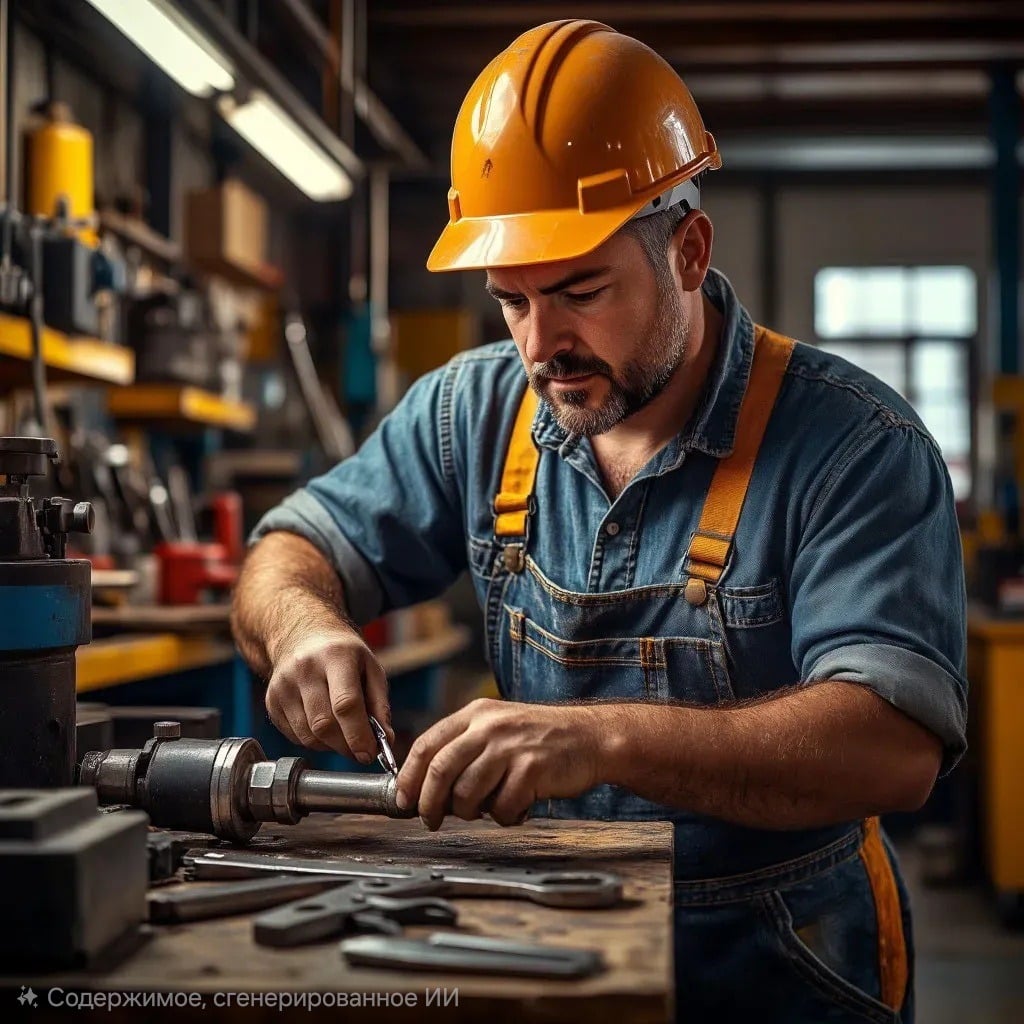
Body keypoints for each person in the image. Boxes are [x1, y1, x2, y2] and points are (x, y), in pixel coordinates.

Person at [232, 19, 966, 1023]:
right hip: (546, 927)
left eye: (579, 291)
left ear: (688, 251)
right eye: (511, 301)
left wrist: (602, 739)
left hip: (781, 955)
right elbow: (287, 550)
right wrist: (304, 626)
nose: (542, 345)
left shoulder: (854, 444)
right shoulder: (472, 412)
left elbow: (892, 746)